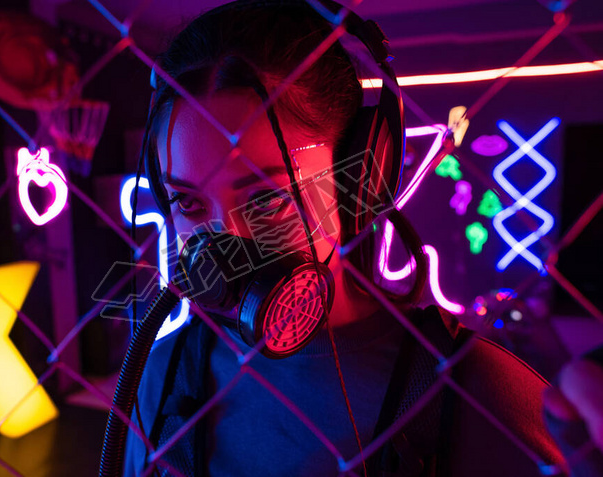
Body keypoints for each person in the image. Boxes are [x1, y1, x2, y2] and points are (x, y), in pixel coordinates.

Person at [120, 1, 597, 475]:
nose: (225, 247)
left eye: (267, 201)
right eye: (189, 204)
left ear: (360, 186)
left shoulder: (480, 394)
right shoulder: (161, 377)